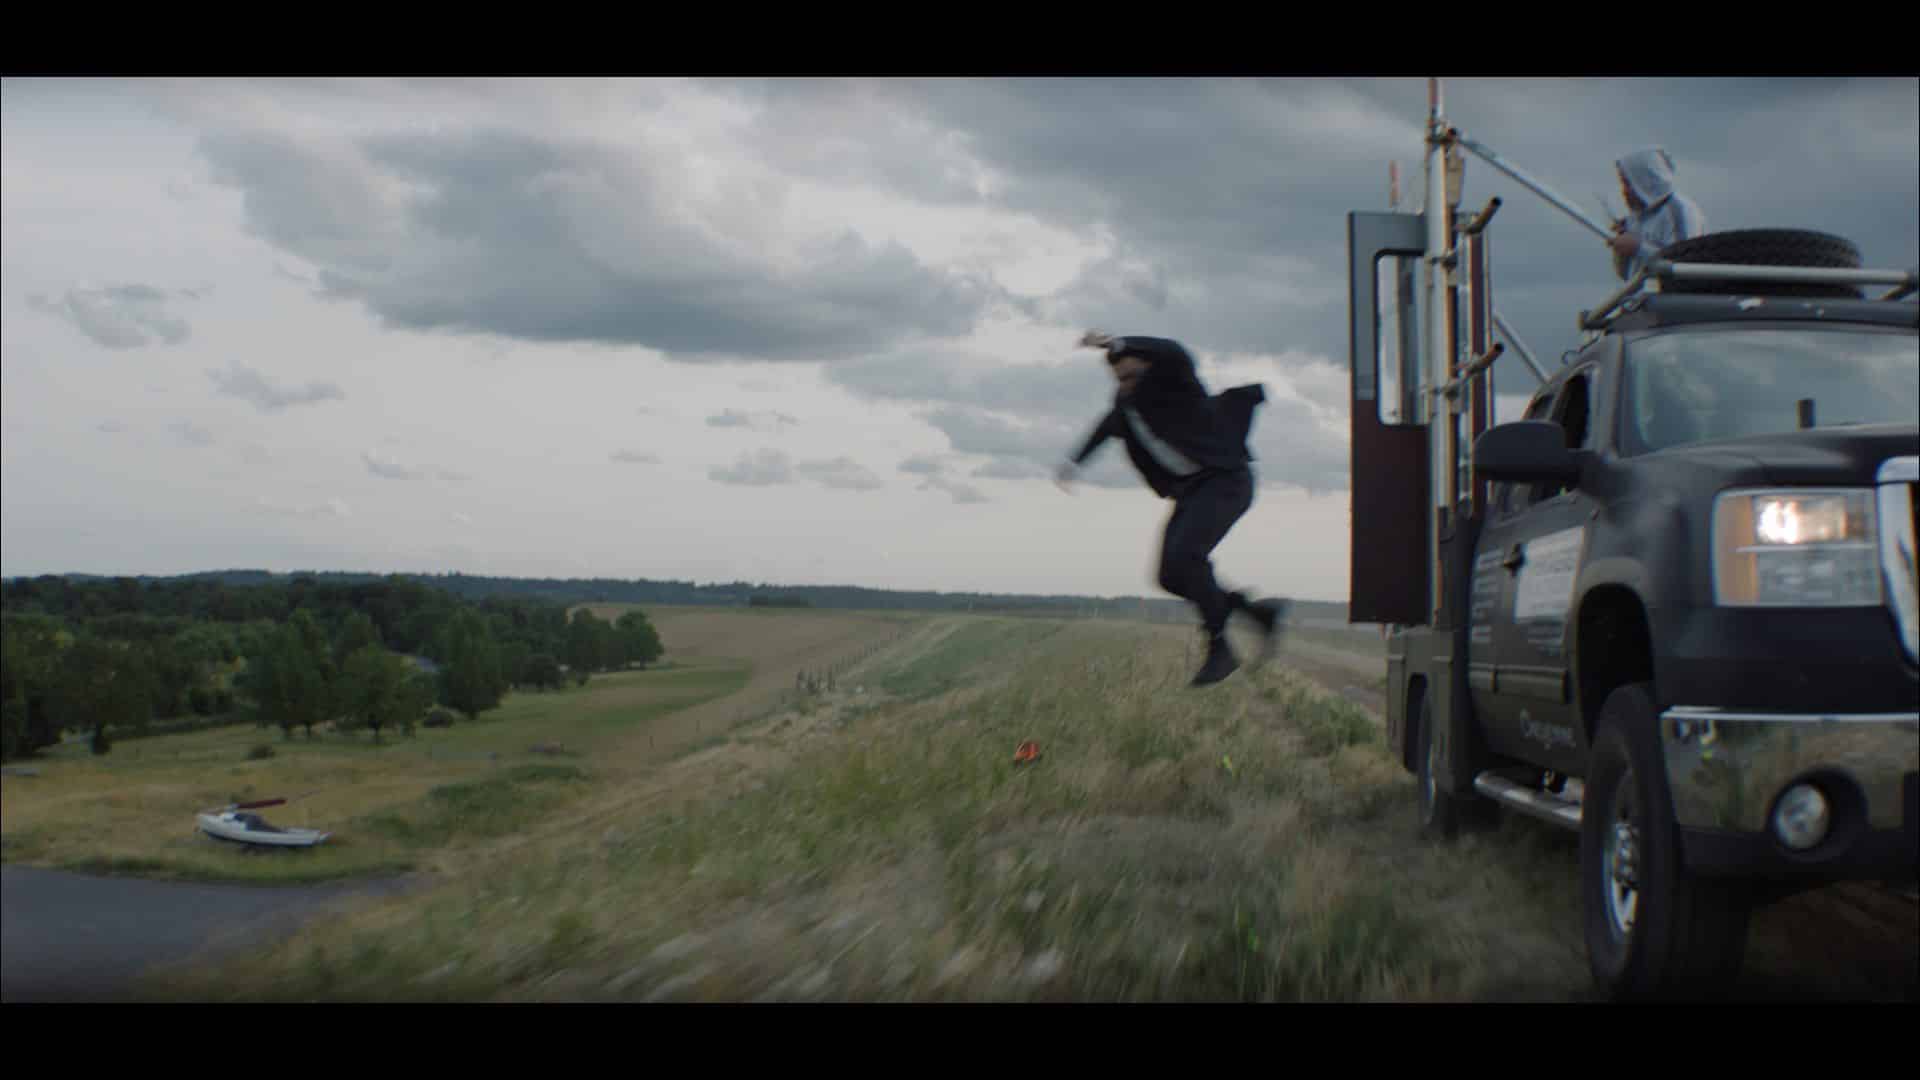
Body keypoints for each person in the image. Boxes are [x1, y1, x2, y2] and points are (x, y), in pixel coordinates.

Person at [1054, 330, 1289, 687]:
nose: (1127, 384)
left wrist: (1117, 342)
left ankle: (1220, 647)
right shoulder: (1126, 406)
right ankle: (1255, 613)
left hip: (1227, 480)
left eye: (1133, 375)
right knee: (1169, 575)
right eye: (1120, 378)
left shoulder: (1174, 379)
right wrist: (1075, 463)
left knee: (1186, 557)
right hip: (1193, 492)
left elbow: (1175, 351)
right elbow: (1105, 427)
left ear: (1149, 364)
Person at [1608, 147, 1707, 281]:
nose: (1623, 191)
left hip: (1670, 299)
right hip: (1640, 298)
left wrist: (1638, 247)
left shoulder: (1680, 211)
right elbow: (1627, 275)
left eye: (1627, 183)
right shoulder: (1636, 219)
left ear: (1645, 180)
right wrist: (1621, 249)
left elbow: (1684, 262)